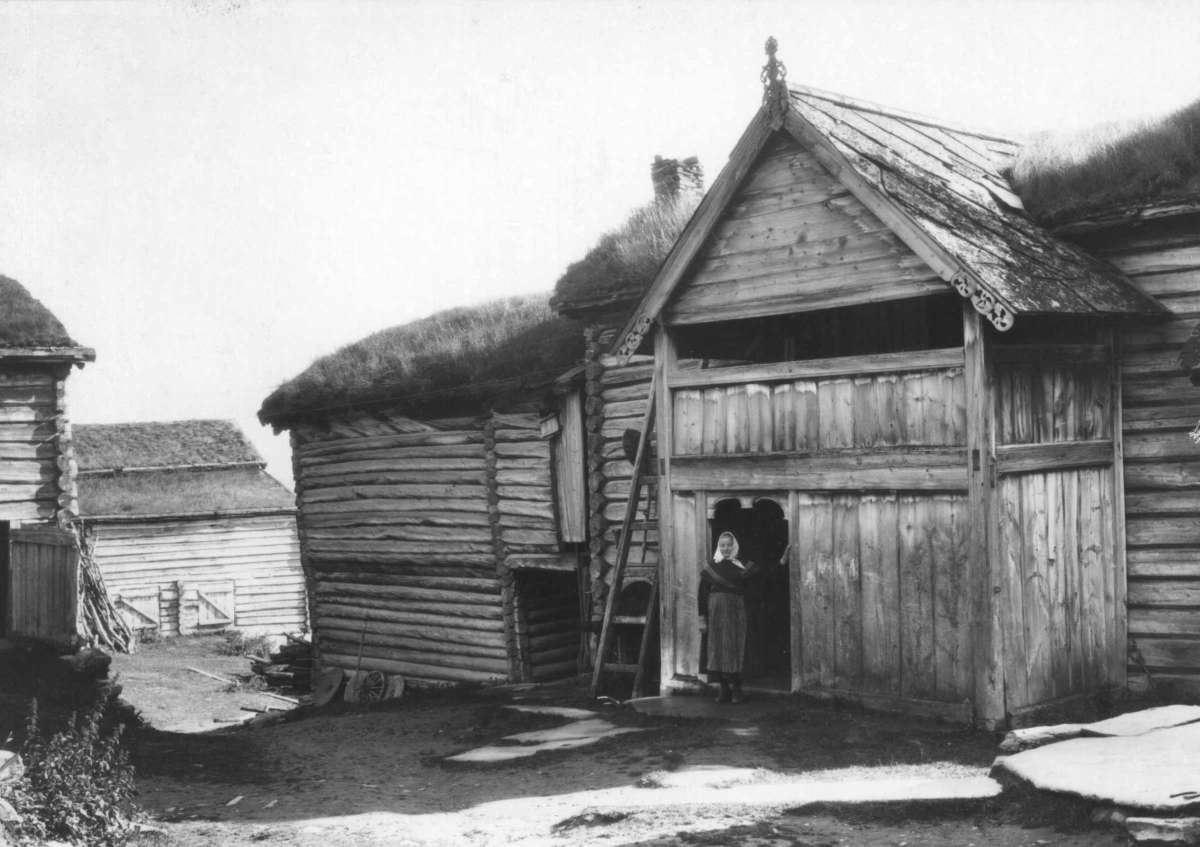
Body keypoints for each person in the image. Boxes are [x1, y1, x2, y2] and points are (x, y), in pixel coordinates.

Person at [698, 531, 759, 704]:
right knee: (717, 649)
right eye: (722, 545)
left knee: (734, 648)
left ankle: (737, 689)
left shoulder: (743, 567)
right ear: (719, 547)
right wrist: (702, 617)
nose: (726, 548)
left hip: (735, 613)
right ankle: (723, 689)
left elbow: (756, 585)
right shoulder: (711, 568)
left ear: (734, 546)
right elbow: (702, 593)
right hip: (716, 614)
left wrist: (782, 561)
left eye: (729, 545)